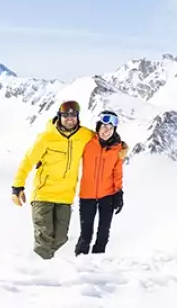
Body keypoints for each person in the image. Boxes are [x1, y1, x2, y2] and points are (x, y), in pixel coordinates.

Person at [11, 100, 94, 259]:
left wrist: (121, 147)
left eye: (73, 115)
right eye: (65, 115)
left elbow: (103, 141)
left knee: (61, 239)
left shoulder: (85, 135)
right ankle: (33, 273)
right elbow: (28, 160)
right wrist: (17, 186)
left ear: (78, 117)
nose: (70, 119)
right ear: (59, 116)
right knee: (44, 239)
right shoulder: (46, 137)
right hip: (43, 195)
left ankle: (40, 266)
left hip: (65, 196)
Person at [76, 109, 128, 255]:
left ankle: (97, 266)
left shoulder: (118, 149)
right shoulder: (88, 143)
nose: (107, 131)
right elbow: (69, 152)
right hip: (87, 195)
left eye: (111, 128)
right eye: (104, 126)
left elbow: (117, 173)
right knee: (86, 234)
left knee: (103, 233)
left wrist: (119, 192)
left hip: (108, 195)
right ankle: (79, 262)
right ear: (98, 126)